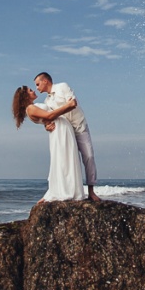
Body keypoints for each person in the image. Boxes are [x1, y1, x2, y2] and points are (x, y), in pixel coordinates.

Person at [34, 72, 100, 202]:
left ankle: (91, 191)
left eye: (37, 84)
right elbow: (50, 118)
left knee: (89, 156)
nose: (37, 88)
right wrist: (46, 125)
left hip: (79, 126)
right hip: (65, 132)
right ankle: (66, 190)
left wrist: (57, 112)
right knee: (67, 161)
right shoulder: (47, 101)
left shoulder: (62, 87)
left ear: (45, 81)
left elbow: (73, 103)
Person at [12, 86, 86, 203]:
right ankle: (64, 190)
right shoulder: (30, 108)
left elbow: (47, 117)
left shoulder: (34, 106)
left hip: (62, 129)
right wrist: (68, 106)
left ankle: (70, 189)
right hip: (59, 131)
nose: (34, 90)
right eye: (30, 90)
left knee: (67, 158)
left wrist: (47, 124)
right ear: (25, 96)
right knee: (63, 159)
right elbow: (49, 116)